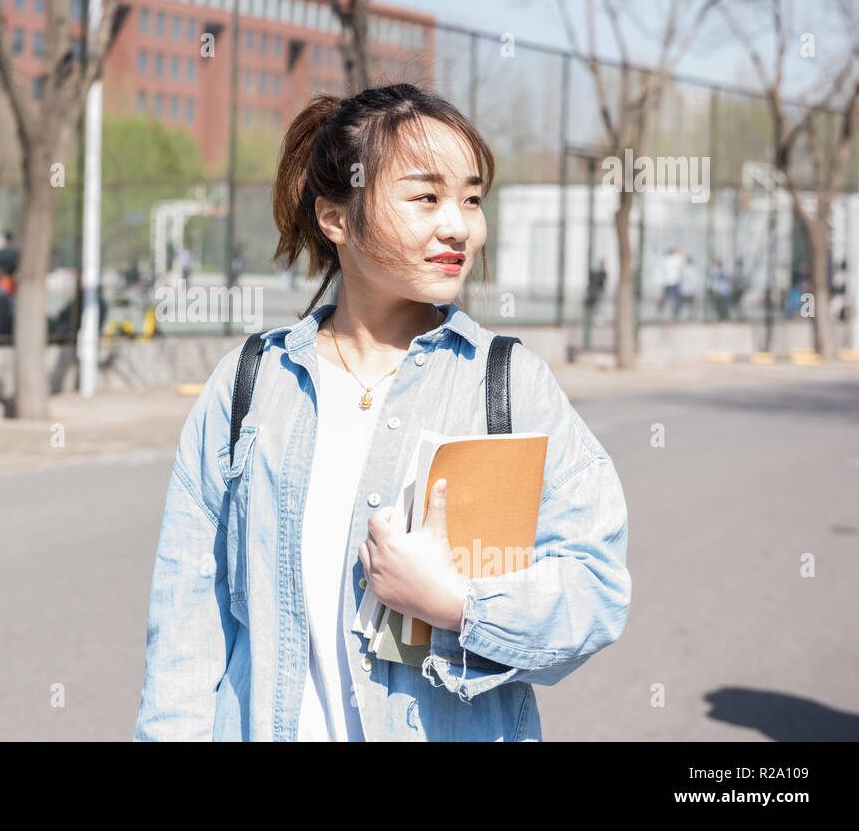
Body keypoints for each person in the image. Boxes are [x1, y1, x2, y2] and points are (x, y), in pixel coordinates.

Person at [133, 84, 631, 742]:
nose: (459, 225)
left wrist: (457, 605)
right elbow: (186, 630)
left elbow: (595, 588)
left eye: (472, 198)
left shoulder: (507, 384)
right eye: (427, 197)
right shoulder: (248, 387)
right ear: (336, 218)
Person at [585, 259, 607, 327]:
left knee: (599, 306)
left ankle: (598, 321)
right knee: (598, 306)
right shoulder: (599, 273)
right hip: (598, 291)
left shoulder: (602, 273)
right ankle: (597, 321)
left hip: (600, 291)